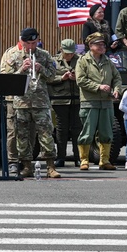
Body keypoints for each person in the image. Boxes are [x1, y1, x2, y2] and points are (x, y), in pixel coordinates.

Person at [0, 27, 60, 178]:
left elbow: (53, 77)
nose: (32, 46)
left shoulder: (44, 55)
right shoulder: (13, 55)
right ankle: (26, 166)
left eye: (35, 42)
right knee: (22, 136)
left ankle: (50, 166)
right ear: (22, 42)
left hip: (40, 102)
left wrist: (42, 69)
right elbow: (6, 79)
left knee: (46, 134)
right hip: (21, 102)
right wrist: (21, 69)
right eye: (29, 43)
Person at [75, 32, 121, 170]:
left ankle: (104, 161)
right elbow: (80, 80)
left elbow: (117, 77)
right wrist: (98, 87)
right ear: (90, 46)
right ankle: (84, 160)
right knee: (87, 133)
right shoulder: (83, 61)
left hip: (106, 102)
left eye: (103, 44)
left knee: (106, 132)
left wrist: (117, 89)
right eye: (99, 44)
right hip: (90, 102)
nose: (102, 46)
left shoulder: (108, 61)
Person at [48, 38, 81, 167]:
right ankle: (61, 157)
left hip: (76, 98)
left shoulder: (80, 60)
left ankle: (78, 157)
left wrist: (76, 78)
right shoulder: (53, 61)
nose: (70, 55)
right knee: (62, 130)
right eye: (67, 53)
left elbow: (87, 76)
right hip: (59, 99)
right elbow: (48, 77)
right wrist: (62, 78)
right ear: (61, 50)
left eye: (72, 53)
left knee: (77, 129)